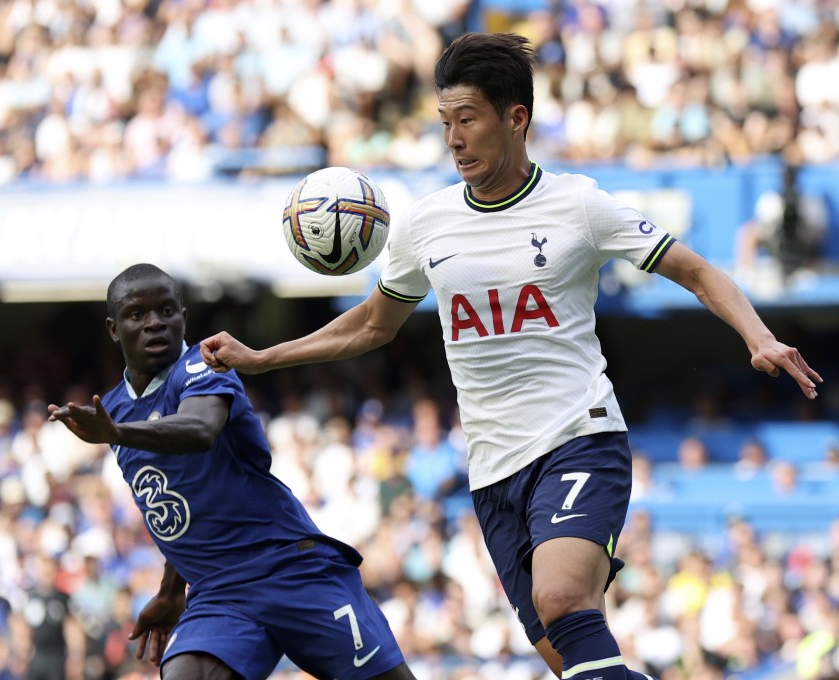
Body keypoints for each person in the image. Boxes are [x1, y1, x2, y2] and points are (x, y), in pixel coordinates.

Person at [199, 32, 823, 680]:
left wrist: (758, 335)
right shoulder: (425, 225)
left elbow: (698, 271)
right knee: (572, 659)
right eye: (445, 122)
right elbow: (371, 325)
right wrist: (264, 356)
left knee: (561, 599)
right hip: (493, 472)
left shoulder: (578, 205)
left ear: (515, 117)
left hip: (579, 438)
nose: (453, 139)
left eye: (467, 119)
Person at [47, 263, 416, 680]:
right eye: (137, 315)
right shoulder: (110, 409)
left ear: (183, 319)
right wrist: (171, 591)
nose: (155, 324)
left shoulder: (203, 366)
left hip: (288, 569)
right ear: (114, 329)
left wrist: (117, 432)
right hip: (219, 594)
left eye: (166, 311)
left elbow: (200, 429)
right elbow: (176, 501)